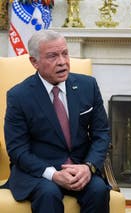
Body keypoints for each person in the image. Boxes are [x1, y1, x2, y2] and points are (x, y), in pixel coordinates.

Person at [4, 30, 111, 213]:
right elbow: (17, 149)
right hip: (39, 172)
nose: (62, 62)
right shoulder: (19, 96)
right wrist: (53, 174)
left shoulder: (88, 86)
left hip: (80, 167)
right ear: (34, 62)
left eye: (65, 53)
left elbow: (101, 133)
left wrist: (88, 167)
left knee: (98, 190)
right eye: (53, 56)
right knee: (48, 193)